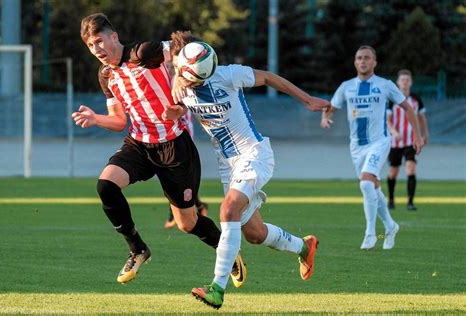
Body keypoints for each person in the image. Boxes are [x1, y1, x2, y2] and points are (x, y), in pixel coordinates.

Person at [73, 13, 244, 285]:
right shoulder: (106, 75)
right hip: (139, 144)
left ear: (113, 36)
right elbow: (119, 122)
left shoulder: (143, 53)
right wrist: (96, 119)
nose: (97, 50)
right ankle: (137, 249)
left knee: (187, 223)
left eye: (99, 41)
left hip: (174, 146)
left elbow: (186, 45)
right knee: (105, 185)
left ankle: (227, 251)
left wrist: (179, 85)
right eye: (91, 46)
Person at [165, 31, 330, 309]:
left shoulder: (229, 74)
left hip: (254, 154)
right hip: (228, 165)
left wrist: (307, 100)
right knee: (254, 233)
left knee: (227, 210)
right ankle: (304, 247)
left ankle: (217, 288)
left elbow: (268, 77)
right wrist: (178, 110)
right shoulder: (180, 79)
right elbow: (182, 104)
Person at [320, 46, 424, 251]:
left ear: (375, 62)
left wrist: (418, 136)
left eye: (367, 58)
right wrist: (325, 117)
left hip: (380, 142)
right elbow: (332, 107)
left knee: (366, 185)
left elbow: (408, 108)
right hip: (357, 146)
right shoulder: (346, 86)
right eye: (359, 58)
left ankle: (370, 233)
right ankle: (390, 226)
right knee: (373, 186)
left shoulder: (385, 85)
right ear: (355, 62)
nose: (363, 61)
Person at [386, 69, 429, 211]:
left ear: (411, 82)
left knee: (411, 168)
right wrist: (393, 131)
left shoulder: (416, 99)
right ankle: (391, 199)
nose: (404, 82)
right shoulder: (392, 100)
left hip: (411, 141)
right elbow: (387, 120)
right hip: (395, 142)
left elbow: (422, 118)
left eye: (407, 80)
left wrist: (425, 134)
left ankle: (410, 202)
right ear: (398, 82)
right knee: (393, 171)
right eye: (402, 80)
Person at [164, 110, 209, 229]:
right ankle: (199, 205)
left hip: (181, 132)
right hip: (167, 132)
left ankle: (173, 214)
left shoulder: (179, 92)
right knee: (173, 173)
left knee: (174, 173)